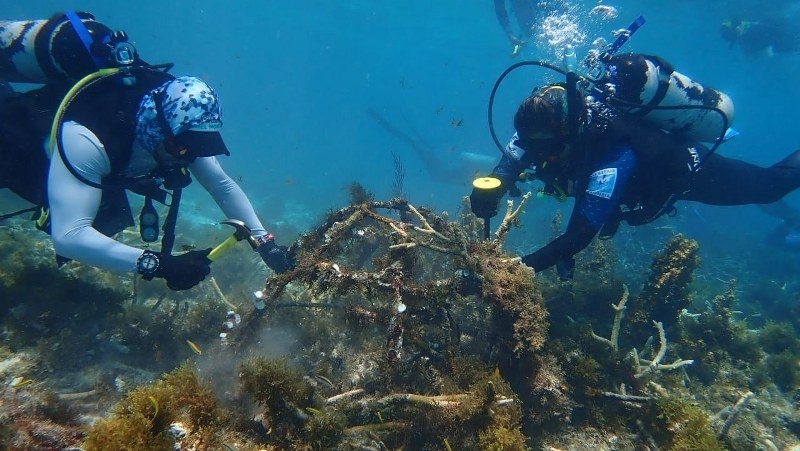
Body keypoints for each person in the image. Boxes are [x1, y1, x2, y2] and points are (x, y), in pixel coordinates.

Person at [0, 12, 294, 291]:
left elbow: (222, 185)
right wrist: (159, 264)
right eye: (184, 147)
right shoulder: (88, 139)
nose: (189, 156)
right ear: (159, 130)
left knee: (111, 217)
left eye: (200, 146)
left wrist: (266, 244)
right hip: (22, 143)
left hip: (112, 161)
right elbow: (69, 236)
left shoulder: (180, 127)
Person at [470, 65, 800, 281]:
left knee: (770, 187)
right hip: (609, 185)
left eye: (543, 147)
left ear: (566, 134)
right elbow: (510, 164)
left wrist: (506, 272)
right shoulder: (538, 128)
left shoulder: (615, 150)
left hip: (688, 171)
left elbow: (580, 234)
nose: (535, 155)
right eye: (530, 145)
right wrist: (492, 189)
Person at [720, 17, 800, 57]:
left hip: (789, 41)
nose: (741, 23)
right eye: (736, 24)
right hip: (790, 39)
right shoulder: (752, 33)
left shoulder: (746, 42)